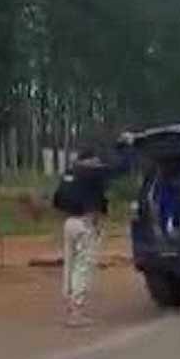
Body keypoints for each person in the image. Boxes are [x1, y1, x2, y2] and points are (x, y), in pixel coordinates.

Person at [52, 140, 131, 328]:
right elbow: (121, 168)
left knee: (70, 265)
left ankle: (70, 307)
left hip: (69, 223)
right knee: (83, 267)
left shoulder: (69, 173)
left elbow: (57, 201)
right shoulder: (92, 172)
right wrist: (126, 146)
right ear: (91, 160)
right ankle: (76, 312)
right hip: (86, 225)